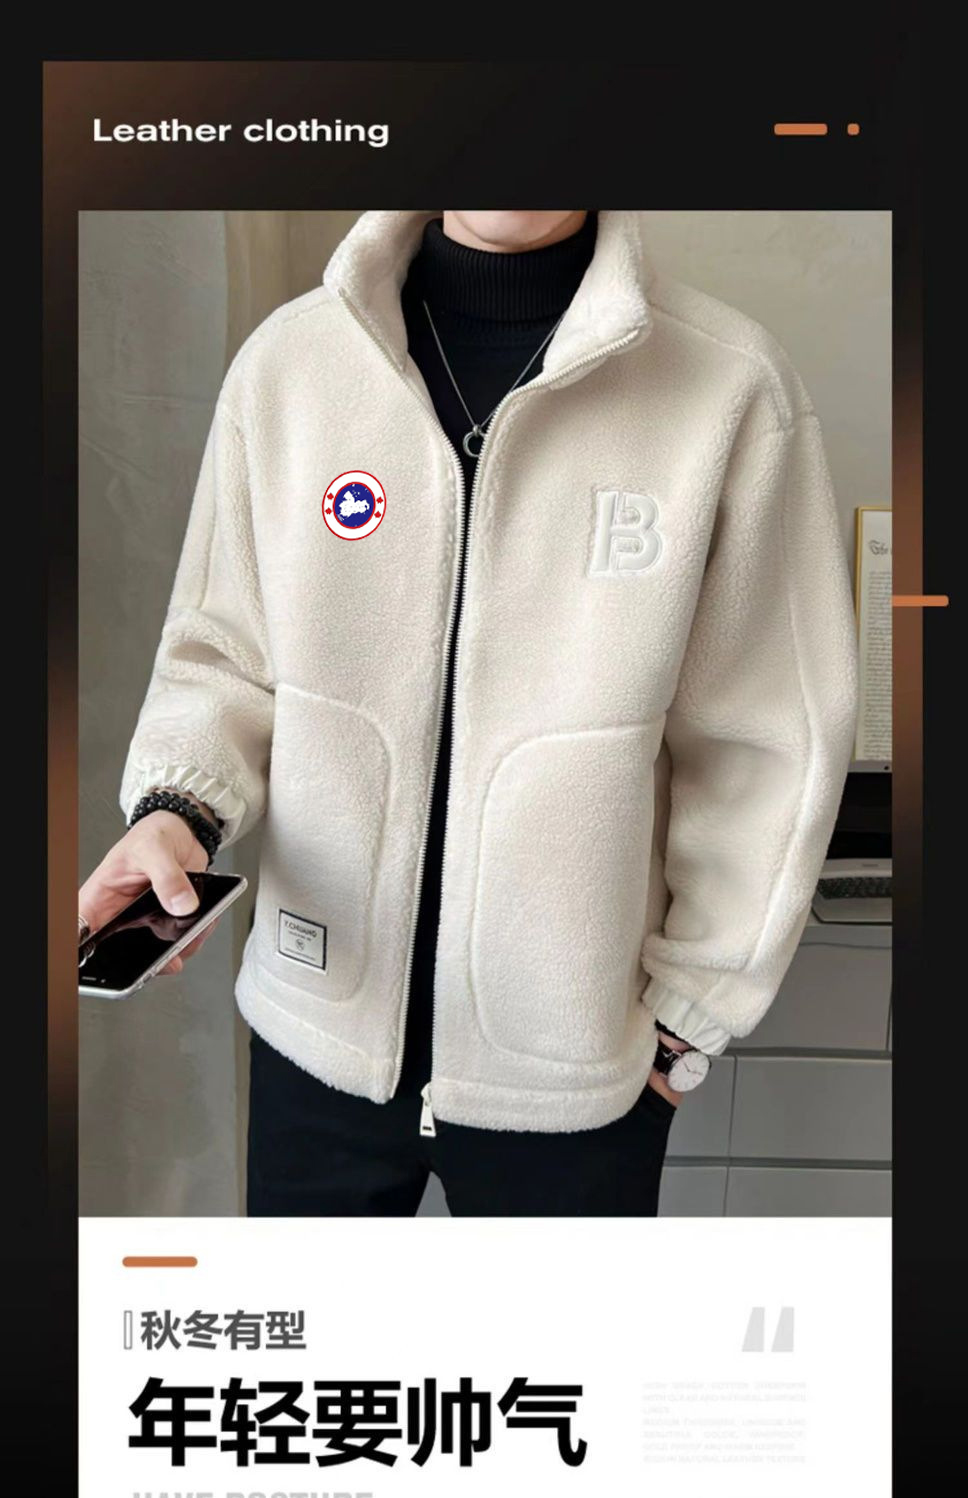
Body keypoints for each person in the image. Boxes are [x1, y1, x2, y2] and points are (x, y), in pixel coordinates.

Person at [79, 209, 858, 1216]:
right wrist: (175, 813)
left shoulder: (727, 386)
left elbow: (769, 737)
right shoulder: (291, 365)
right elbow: (222, 654)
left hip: (573, 1074)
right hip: (313, 1037)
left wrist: (688, 1017)